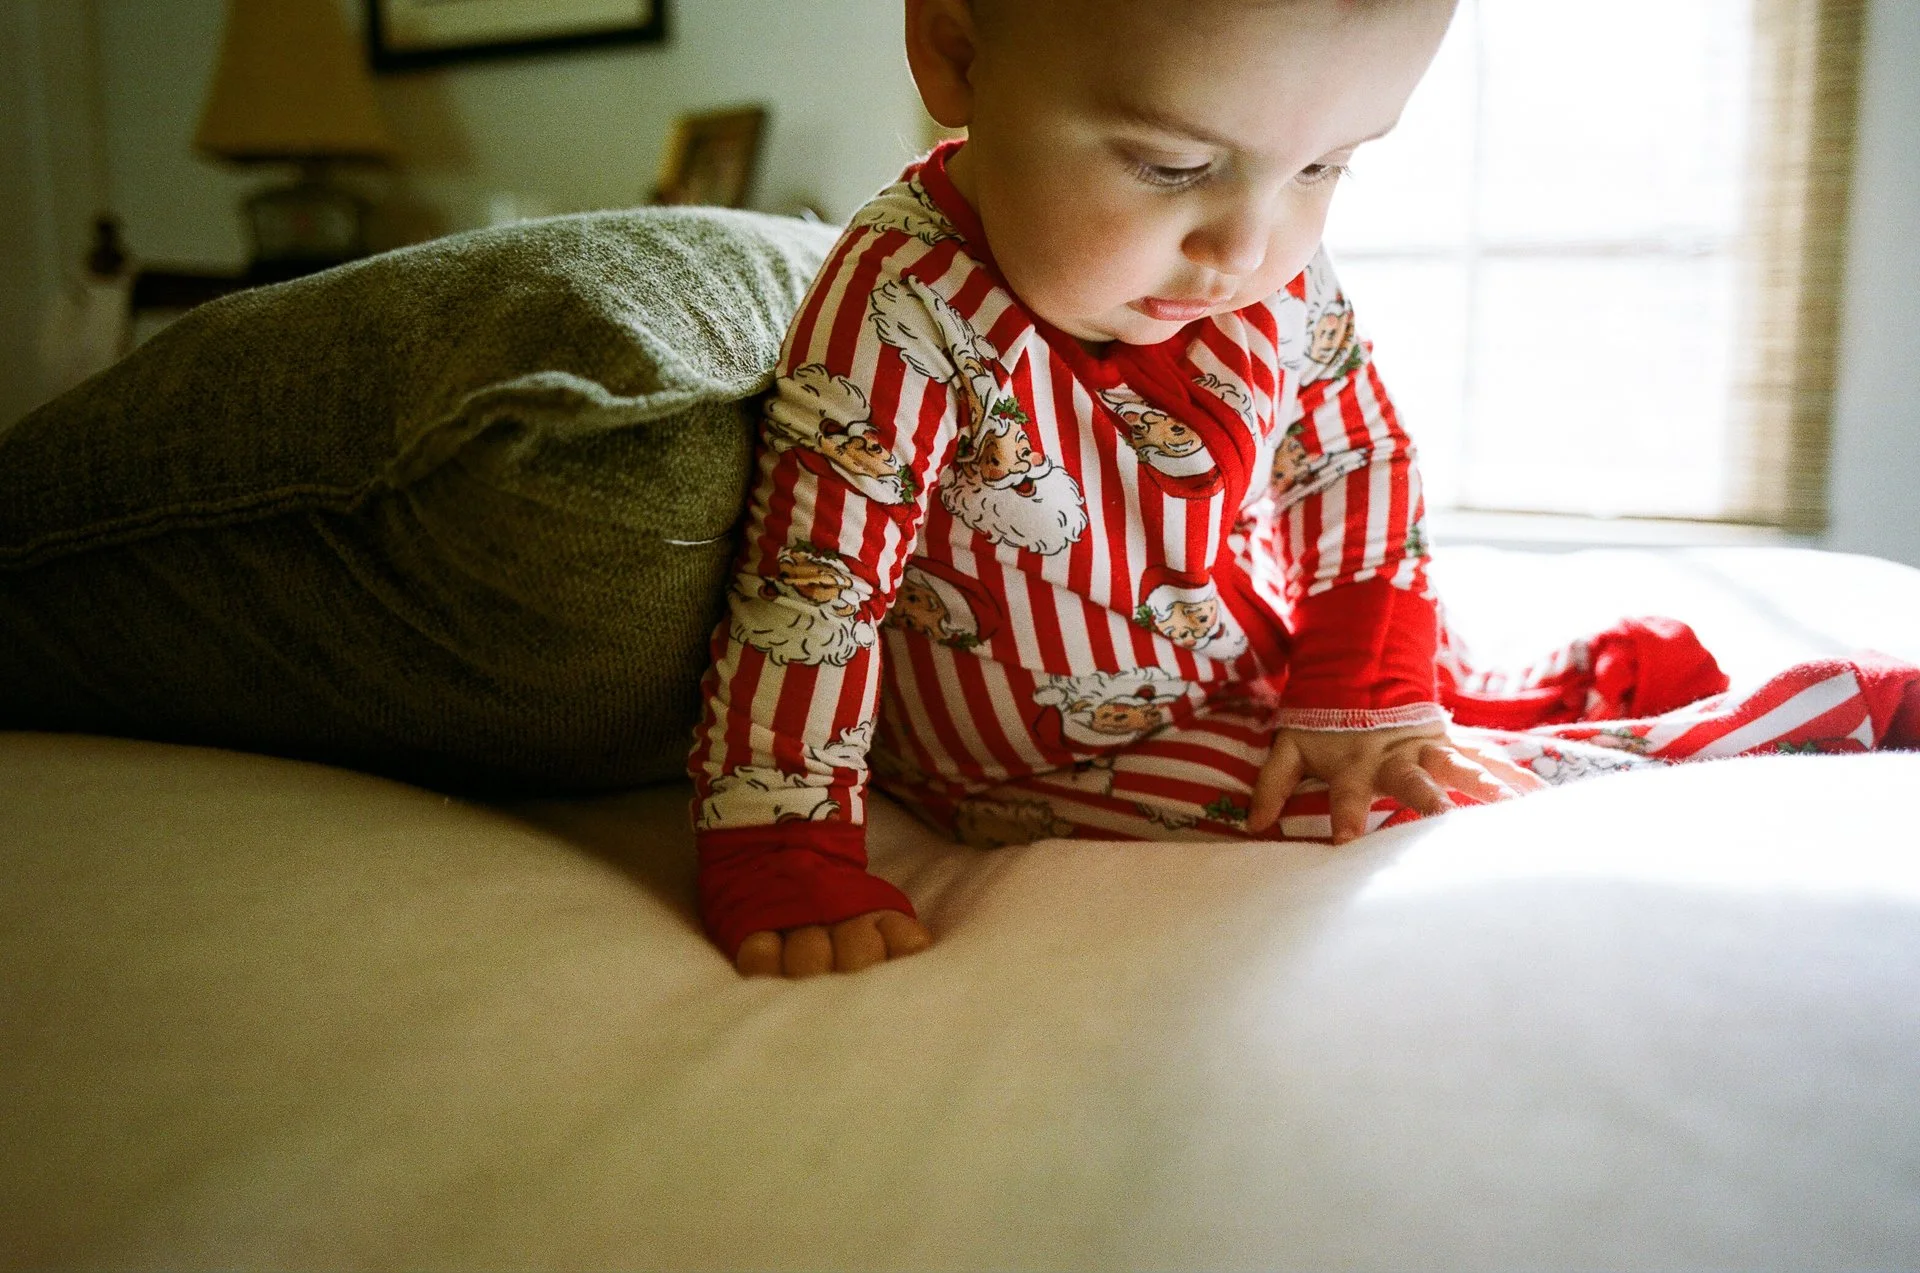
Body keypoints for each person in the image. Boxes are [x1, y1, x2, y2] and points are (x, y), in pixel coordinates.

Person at [687, 0, 1920, 978]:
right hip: (1052, 760)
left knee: (1396, 702)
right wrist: (784, 845)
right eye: (1173, 167)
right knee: (1400, 809)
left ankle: (1554, 677)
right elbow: (815, 593)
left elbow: (1354, 461)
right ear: (956, 56)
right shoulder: (901, 304)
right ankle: (1809, 717)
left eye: (1325, 166)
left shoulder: (1270, 268)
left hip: (1247, 647)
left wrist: (1359, 683)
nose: (1249, 247)